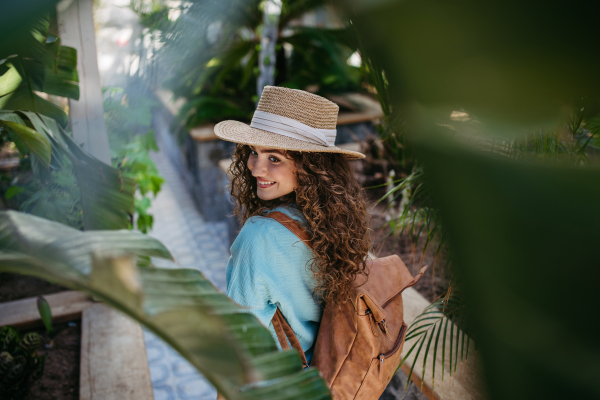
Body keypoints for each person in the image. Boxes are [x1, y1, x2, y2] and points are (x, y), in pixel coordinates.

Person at [214, 85, 372, 366]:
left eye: (274, 158)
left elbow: (240, 340)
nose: (255, 168)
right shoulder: (335, 221)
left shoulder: (259, 236)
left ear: (310, 166)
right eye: (254, 152)